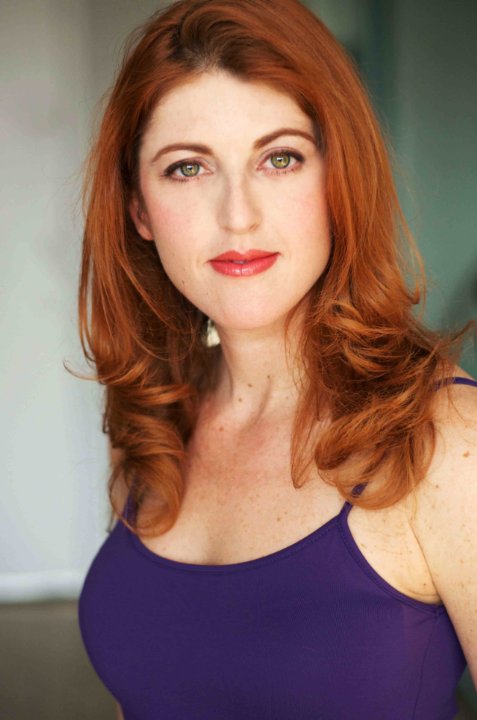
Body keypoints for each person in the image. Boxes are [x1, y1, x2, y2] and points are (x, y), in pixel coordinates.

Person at [74, 0, 477, 718]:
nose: (238, 215)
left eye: (279, 158)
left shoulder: (448, 438)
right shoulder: (154, 421)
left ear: (338, 177)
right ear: (138, 209)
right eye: (187, 168)